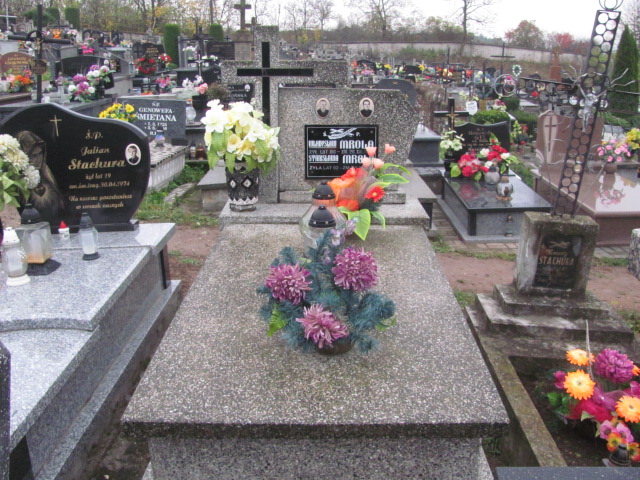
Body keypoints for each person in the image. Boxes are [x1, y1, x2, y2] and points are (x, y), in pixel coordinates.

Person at [17, 130, 65, 223]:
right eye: (33, 156)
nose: (39, 159)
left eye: (40, 153)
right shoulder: (17, 179)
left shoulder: (46, 172)